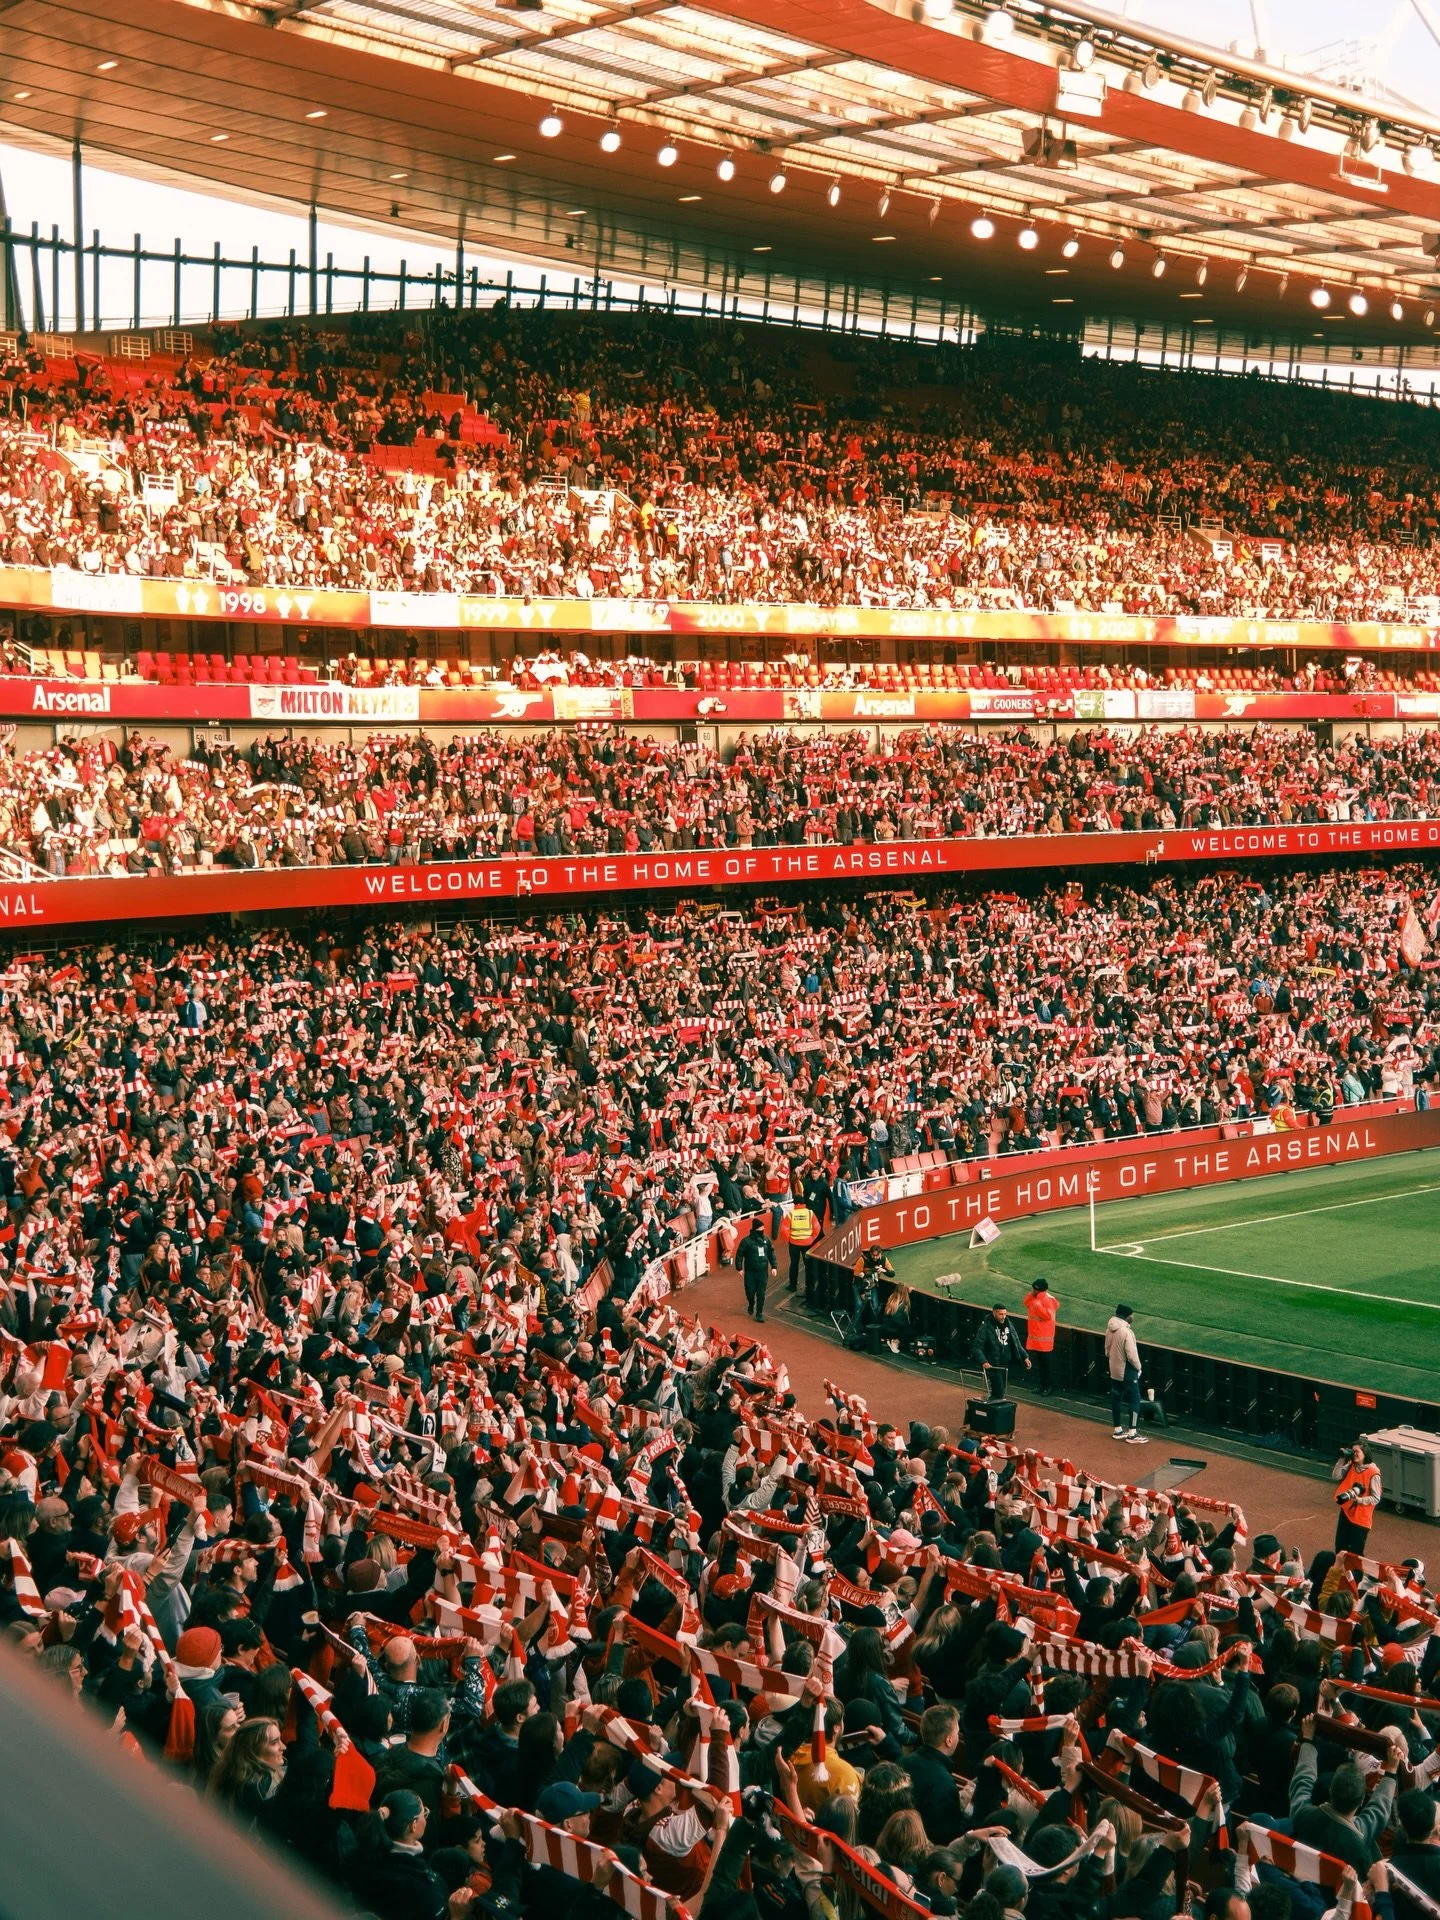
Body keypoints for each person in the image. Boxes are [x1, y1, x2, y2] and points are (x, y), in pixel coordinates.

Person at [1105, 1303, 1146, 1445]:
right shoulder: (1126, 1332)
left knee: (1116, 1397)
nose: (1132, 1317)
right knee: (1135, 1399)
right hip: (1127, 1370)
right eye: (1131, 1315)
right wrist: (1139, 1368)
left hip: (1114, 1369)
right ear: (1126, 1316)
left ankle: (1117, 1430)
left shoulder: (1109, 1329)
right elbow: (1132, 1355)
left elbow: (1107, 1350)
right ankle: (1132, 1433)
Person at [1332, 1443, 1383, 1552]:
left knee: (1355, 1552)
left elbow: (1376, 1498)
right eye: (1352, 1451)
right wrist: (1341, 1459)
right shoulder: (1352, 1465)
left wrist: (1360, 1500)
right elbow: (1336, 1476)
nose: (1354, 1454)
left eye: (1357, 1452)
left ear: (1365, 1453)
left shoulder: (1373, 1473)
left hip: (1361, 1518)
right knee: (1340, 1547)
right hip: (1346, 1512)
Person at [972, 1304, 1029, 1400]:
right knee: (999, 1390)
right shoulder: (986, 1326)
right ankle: (993, 1404)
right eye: (1001, 1314)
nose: (1003, 1317)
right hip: (993, 1364)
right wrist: (984, 1361)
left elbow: (1016, 1342)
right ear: (994, 1313)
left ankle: (993, 1403)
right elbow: (977, 1347)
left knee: (1000, 1391)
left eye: (1005, 1314)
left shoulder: (1009, 1324)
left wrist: (1025, 1356)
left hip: (1005, 1362)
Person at [1022, 1280, 1058, 1395]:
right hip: (1037, 1337)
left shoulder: (1048, 1299)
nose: (1032, 1290)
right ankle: (1042, 1386)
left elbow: (1047, 1316)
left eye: (1034, 1289)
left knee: (1047, 1365)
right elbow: (1026, 1303)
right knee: (1041, 1364)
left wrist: (1037, 1304)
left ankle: (1048, 1387)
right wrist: (1032, 1296)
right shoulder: (1035, 1297)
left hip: (1045, 1338)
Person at [738, 1216, 776, 1323]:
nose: (763, 1230)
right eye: (761, 1228)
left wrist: (774, 1267)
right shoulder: (746, 1241)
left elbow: (771, 1254)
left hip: (763, 1272)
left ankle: (759, 1313)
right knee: (750, 1291)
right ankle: (751, 1303)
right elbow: (740, 1254)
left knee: (761, 1294)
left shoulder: (766, 1240)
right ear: (755, 1229)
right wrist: (739, 1268)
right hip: (750, 1272)